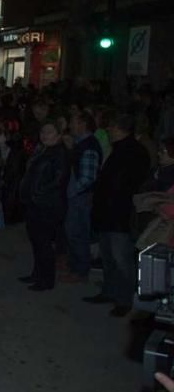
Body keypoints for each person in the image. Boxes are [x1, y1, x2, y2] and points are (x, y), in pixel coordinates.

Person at [84, 112, 151, 316]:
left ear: (120, 128)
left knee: (121, 258)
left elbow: (125, 186)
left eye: (111, 127)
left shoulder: (134, 152)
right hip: (109, 212)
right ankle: (110, 291)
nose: (108, 130)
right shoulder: (122, 149)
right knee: (108, 257)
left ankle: (124, 299)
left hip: (119, 215)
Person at [18, 122, 69, 291]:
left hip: (47, 205)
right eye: (43, 131)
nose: (44, 135)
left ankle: (46, 280)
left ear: (59, 134)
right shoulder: (43, 150)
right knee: (36, 241)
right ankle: (37, 274)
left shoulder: (60, 153)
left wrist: (37, 193)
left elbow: (58, 180)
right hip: (35, 203)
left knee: (44, 243)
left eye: (49, 132)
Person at [61, 110, 102, 285]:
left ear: (83, 124)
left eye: (73, 122)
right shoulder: (81, 144)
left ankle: (80, 270)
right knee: (73, 233)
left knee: (77, 234)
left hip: (80, 198)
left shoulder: (89, 146)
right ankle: (74, 266)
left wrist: (70, 193)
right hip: (77, 196)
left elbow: (87, 179)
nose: (70, 125)